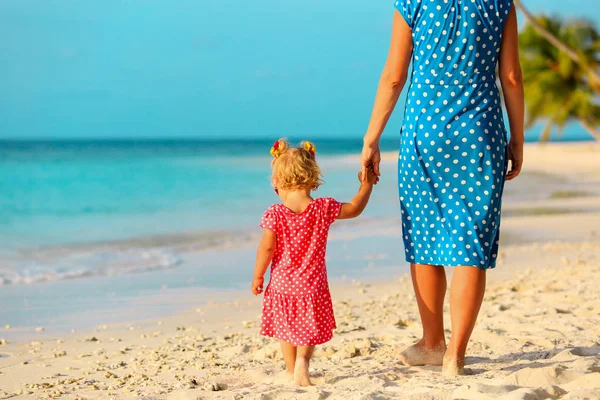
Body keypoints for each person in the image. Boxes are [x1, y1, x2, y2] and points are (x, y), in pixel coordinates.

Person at [360, 0, 525, 376]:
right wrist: (517, 137)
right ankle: (456, 355)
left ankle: (433, 343)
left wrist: (372, 138)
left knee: (424, 235)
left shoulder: (413, 3)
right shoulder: (500, 5)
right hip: (479, 132)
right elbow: (511, 77)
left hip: (426, 131)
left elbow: (394, 77)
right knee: (470, 241)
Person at [252, 139, 377, 386]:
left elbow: (267, 248)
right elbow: (354, 209)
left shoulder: (275, 213)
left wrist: (258, 275)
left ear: (277, 181)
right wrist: (367, 185)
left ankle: (290, 370)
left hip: (282, 285)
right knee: (307, 328)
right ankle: (302, 363)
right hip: (312, 284)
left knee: (285, 330)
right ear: (312, 178)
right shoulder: (322, 208)